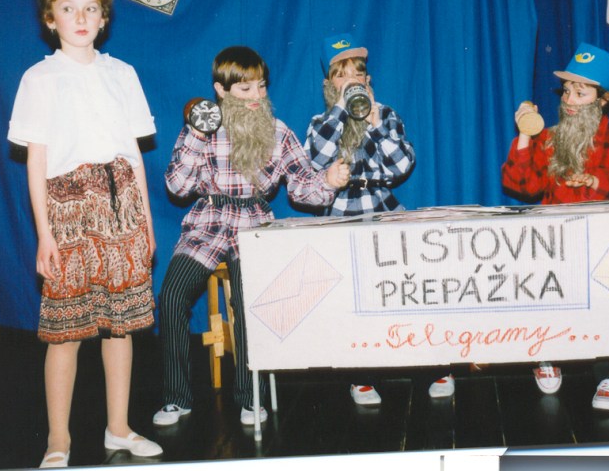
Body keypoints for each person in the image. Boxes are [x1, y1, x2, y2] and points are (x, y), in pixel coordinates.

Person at [7, 0, 162, 468]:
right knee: (66, 332)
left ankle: (119, 428)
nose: (80, 17)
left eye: (90, 8)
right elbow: (36, 161)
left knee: (121, 326)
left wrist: (147, 224)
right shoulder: (39, 78)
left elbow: (134, 155)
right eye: (68, 8)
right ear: (51, 20)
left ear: (103, 18)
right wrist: (44, 234)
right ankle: (58, 439)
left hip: (121, 207)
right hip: (67, 208)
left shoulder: (123, 74)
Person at [154, 46, 349, 427]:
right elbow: (177, 187)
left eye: (261, 86)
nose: (257, 96)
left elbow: (303, 188)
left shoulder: (278, 131)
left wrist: (328, 180)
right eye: (245, 89)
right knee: (172, 295)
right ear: (221, 90)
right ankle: (177, 398)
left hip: (254, 221)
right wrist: (195, 135)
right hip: (208, 220)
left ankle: (250, 396)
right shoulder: (202, 127)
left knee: (250, 303)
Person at [304, 33, 453, 406]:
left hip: (381, 204)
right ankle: (361, 376)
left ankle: (435, 365)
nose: (351, 80)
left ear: (368, 80)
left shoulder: (385, 114)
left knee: (409, 285)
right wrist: (342, 110)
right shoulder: (321, 121)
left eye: (357, 73)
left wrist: (372, 122)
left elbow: (401, 166)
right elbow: (315, 160)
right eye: (341, 75)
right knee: (351, 294)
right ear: (330, 85)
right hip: (340, 211)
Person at [501, 42, 609, 411]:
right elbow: (521, 185)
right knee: (535, 279)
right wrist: (525, 135)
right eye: (566, 91)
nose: (569, 100)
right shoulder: (549, 138)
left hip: (601, 241)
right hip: (555, 242)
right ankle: (547, 353)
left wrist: (596, 182)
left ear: (603, 100)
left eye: (581, 93)